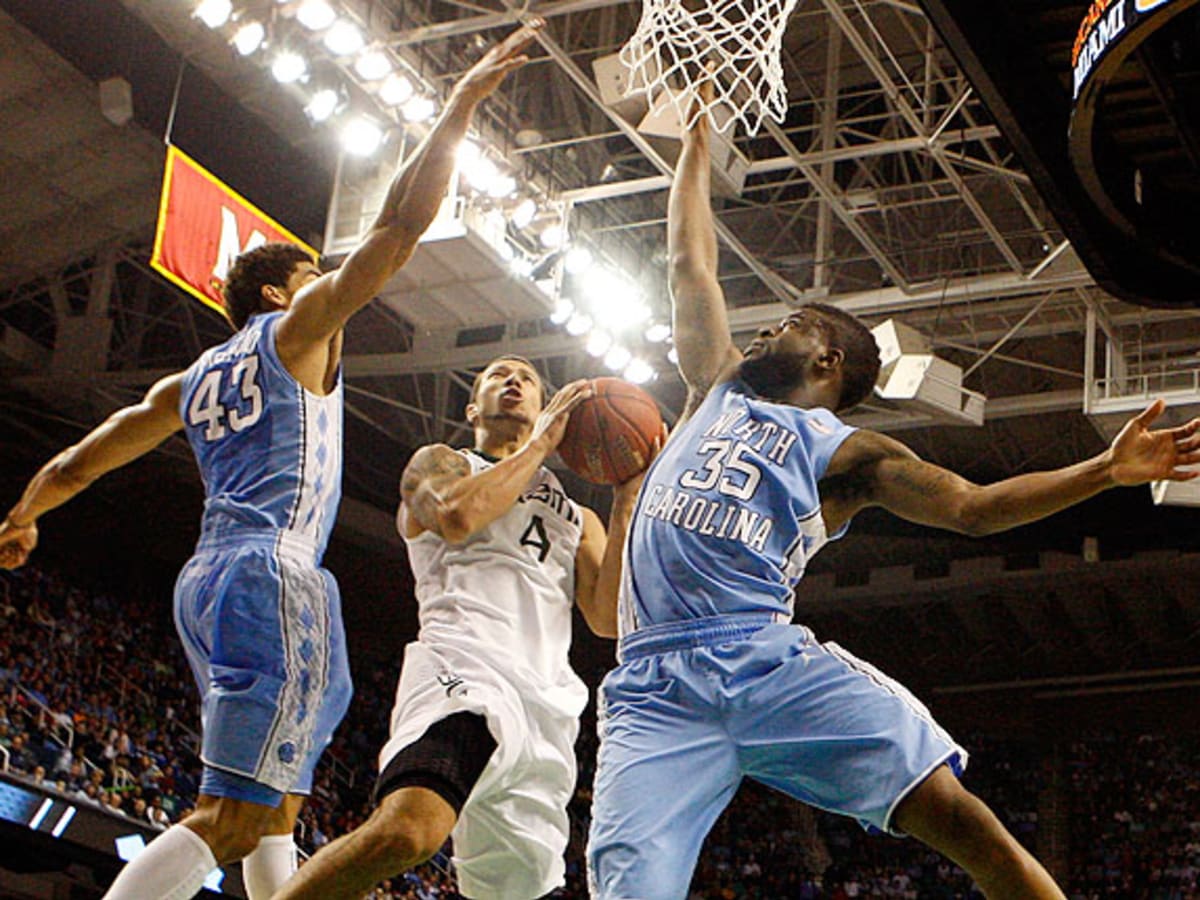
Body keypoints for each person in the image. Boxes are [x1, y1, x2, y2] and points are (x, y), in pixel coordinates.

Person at [585, 86, 1200, 900]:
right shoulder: (716, 386)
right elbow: (687, 262)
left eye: (793, 323)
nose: (769, 329)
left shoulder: (850, 452)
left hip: (763, 660)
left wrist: (1104, 471)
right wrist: (697, 144)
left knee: (959, 817)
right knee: (624, 892)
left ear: (829, 361)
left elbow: (973, 508)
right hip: (653, 683)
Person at [0, 22, 542, 900]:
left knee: (281, 800)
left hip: (206, 582)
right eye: (317, 272)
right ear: (283, 293)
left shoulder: (183, 385)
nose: (333, 283)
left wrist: (25, 513)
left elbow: (75, 465)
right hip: (274, 572)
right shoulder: (297, 333)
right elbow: (402, 227)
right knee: (236, 813)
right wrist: (459, 106)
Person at [270, 354, 646, 900]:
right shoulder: (441, 464)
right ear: (474, 407)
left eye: (528, 379)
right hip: (464, 668)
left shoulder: (577, 517)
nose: (514, 382)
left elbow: (607, 619)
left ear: (545, 404)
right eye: (498, 375)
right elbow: (455, 517)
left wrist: (625, 498)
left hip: (547, 711)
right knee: (407, 831)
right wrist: (540, 446)